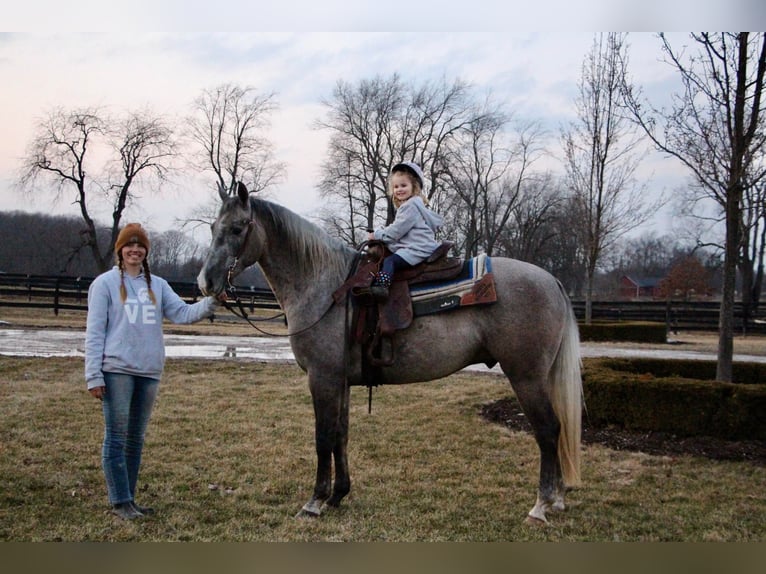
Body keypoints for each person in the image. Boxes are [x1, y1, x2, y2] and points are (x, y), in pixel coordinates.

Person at [85, 223, 219, 520]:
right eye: (129, 246)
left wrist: (213, 302)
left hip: (148, 371)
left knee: (135, 439)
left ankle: (130, 499)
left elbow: (182, 314)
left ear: (146, 252)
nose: (135, 250)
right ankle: (119, 501)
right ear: (120, 250)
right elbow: (94, 332)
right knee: (116, 437)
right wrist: (93, 374)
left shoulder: (156, 285)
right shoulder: (104, 285)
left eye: (140, 246)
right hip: (116, 369)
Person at [367, 161, 444, 299]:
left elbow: (396, 232)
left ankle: (382, 286)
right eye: (396, 186)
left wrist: (377, 234)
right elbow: (399, 228)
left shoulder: (410, 206)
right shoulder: (414, 205)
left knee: (389, 261)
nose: (399, 189)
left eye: (404, 185)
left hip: (417, 249)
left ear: (414, 187)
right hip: (418, 246)